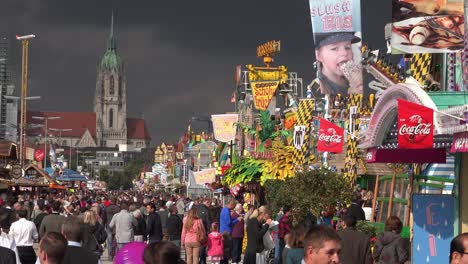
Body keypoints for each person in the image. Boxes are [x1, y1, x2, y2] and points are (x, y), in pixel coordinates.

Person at [313, 32, 363, 96]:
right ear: (319, 55)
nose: (344, 53)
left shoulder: (357, 77)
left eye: (347, 47)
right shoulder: (319, 87)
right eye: (334, 48)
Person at [103, 197, 120, 261]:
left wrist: (103, 226)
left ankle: (110, 257)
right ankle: (115, 255)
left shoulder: (106, 208)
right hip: (116, 227)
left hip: (109, 226)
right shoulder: (118, 208)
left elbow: (104, 218)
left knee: (109, 242)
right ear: (116, 201)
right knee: (116, 242)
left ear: (110, 201)